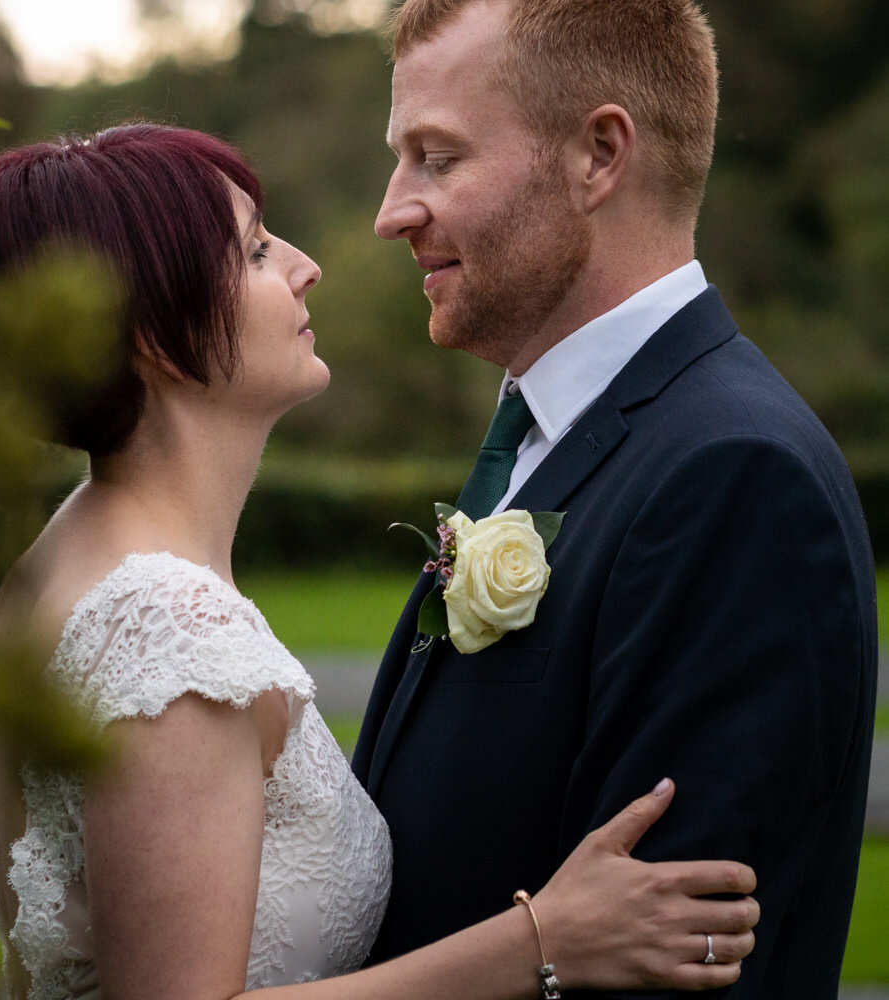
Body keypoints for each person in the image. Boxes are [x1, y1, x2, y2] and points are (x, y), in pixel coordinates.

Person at [0, 123, 758, 1000]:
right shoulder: (167, 628)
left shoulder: (59, 561)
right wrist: (545, 939)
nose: (305, 265)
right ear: (156, 339)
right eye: (254, 252)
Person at [353, 0, 877, 995]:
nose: (393, 210)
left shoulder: (734, 476)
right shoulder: (547, 437)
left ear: (599, 155)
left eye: (439, 157)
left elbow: (666, 965)